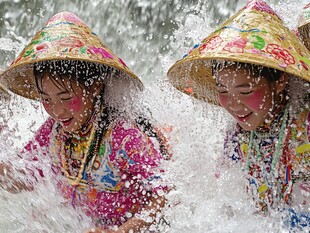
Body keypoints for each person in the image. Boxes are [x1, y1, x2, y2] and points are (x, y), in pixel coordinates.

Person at [0, 12, 168, 232]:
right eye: (46, 99)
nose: (57, 110)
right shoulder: (54, 132)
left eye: (66, 98)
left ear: (95, 85)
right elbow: (25, 178)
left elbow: (165, 195)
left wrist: (122, 231)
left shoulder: (124, 136)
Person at [167, 0, 310, 230]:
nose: (233, 104)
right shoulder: (237, 135)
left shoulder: (305, 125)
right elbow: (226, 199)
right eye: (223, 91)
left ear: (280, 80)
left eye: (246, 91)